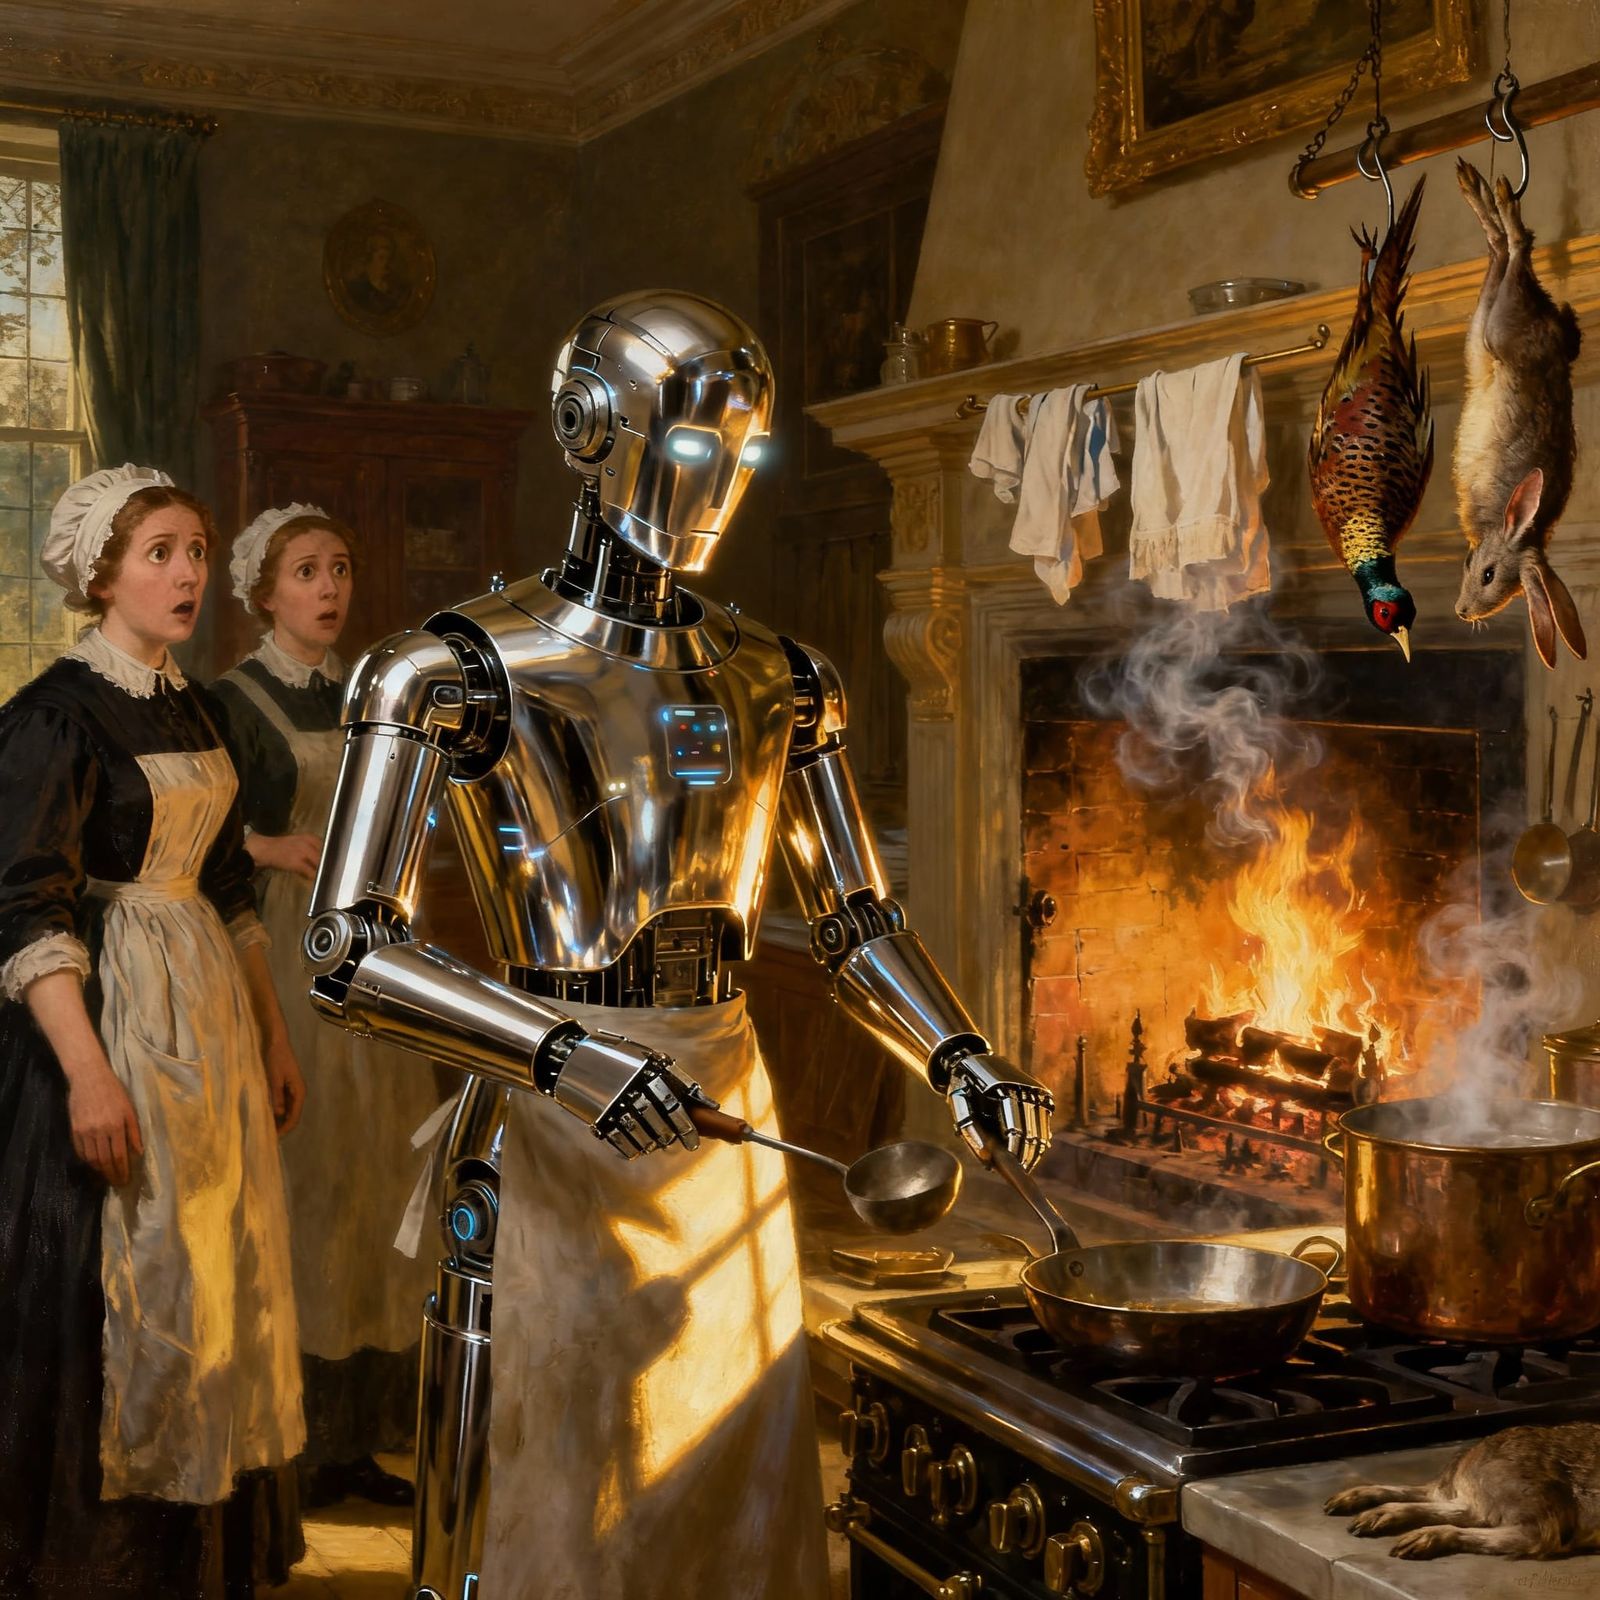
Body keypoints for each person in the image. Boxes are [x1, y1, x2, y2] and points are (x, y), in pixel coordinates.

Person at [303, 292, 1054, 1598]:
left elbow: (856, 920)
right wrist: (567, 1054)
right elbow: (344, 946)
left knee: (733, 1484)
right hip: (549, 1125)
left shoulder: (784, 674)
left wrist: (961, 1056)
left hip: (724, 1112)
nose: (723, 485)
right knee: (557, 1496)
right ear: (591, 430)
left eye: (745, 457)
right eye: (696, 446)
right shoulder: (452, 668)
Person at [0, 465, 306, 1599]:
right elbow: (27, 907)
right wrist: (86, 1075)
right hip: (110, 1020)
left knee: (217, 1268)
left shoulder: (195, 704)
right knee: (126, 1281)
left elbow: (230, 884)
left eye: (195, 550)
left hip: (213, 1023)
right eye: (160, 553)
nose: (187, 574)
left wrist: (271, 1036)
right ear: (99, 573)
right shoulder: (53, 715)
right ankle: (109, 1564)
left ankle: (196, 1545)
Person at [210, 504, 434, 1510]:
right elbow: (192, 836)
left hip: (376, 946)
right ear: (265, 593)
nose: (329, 588)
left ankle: (352, 1441)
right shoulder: (228, 701)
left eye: (339, 567)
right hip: (284, 952)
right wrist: (268, 849)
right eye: (306, 571)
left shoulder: (374, 693)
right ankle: (284, 1439)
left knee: (378, 1180)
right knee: (305, 1177)